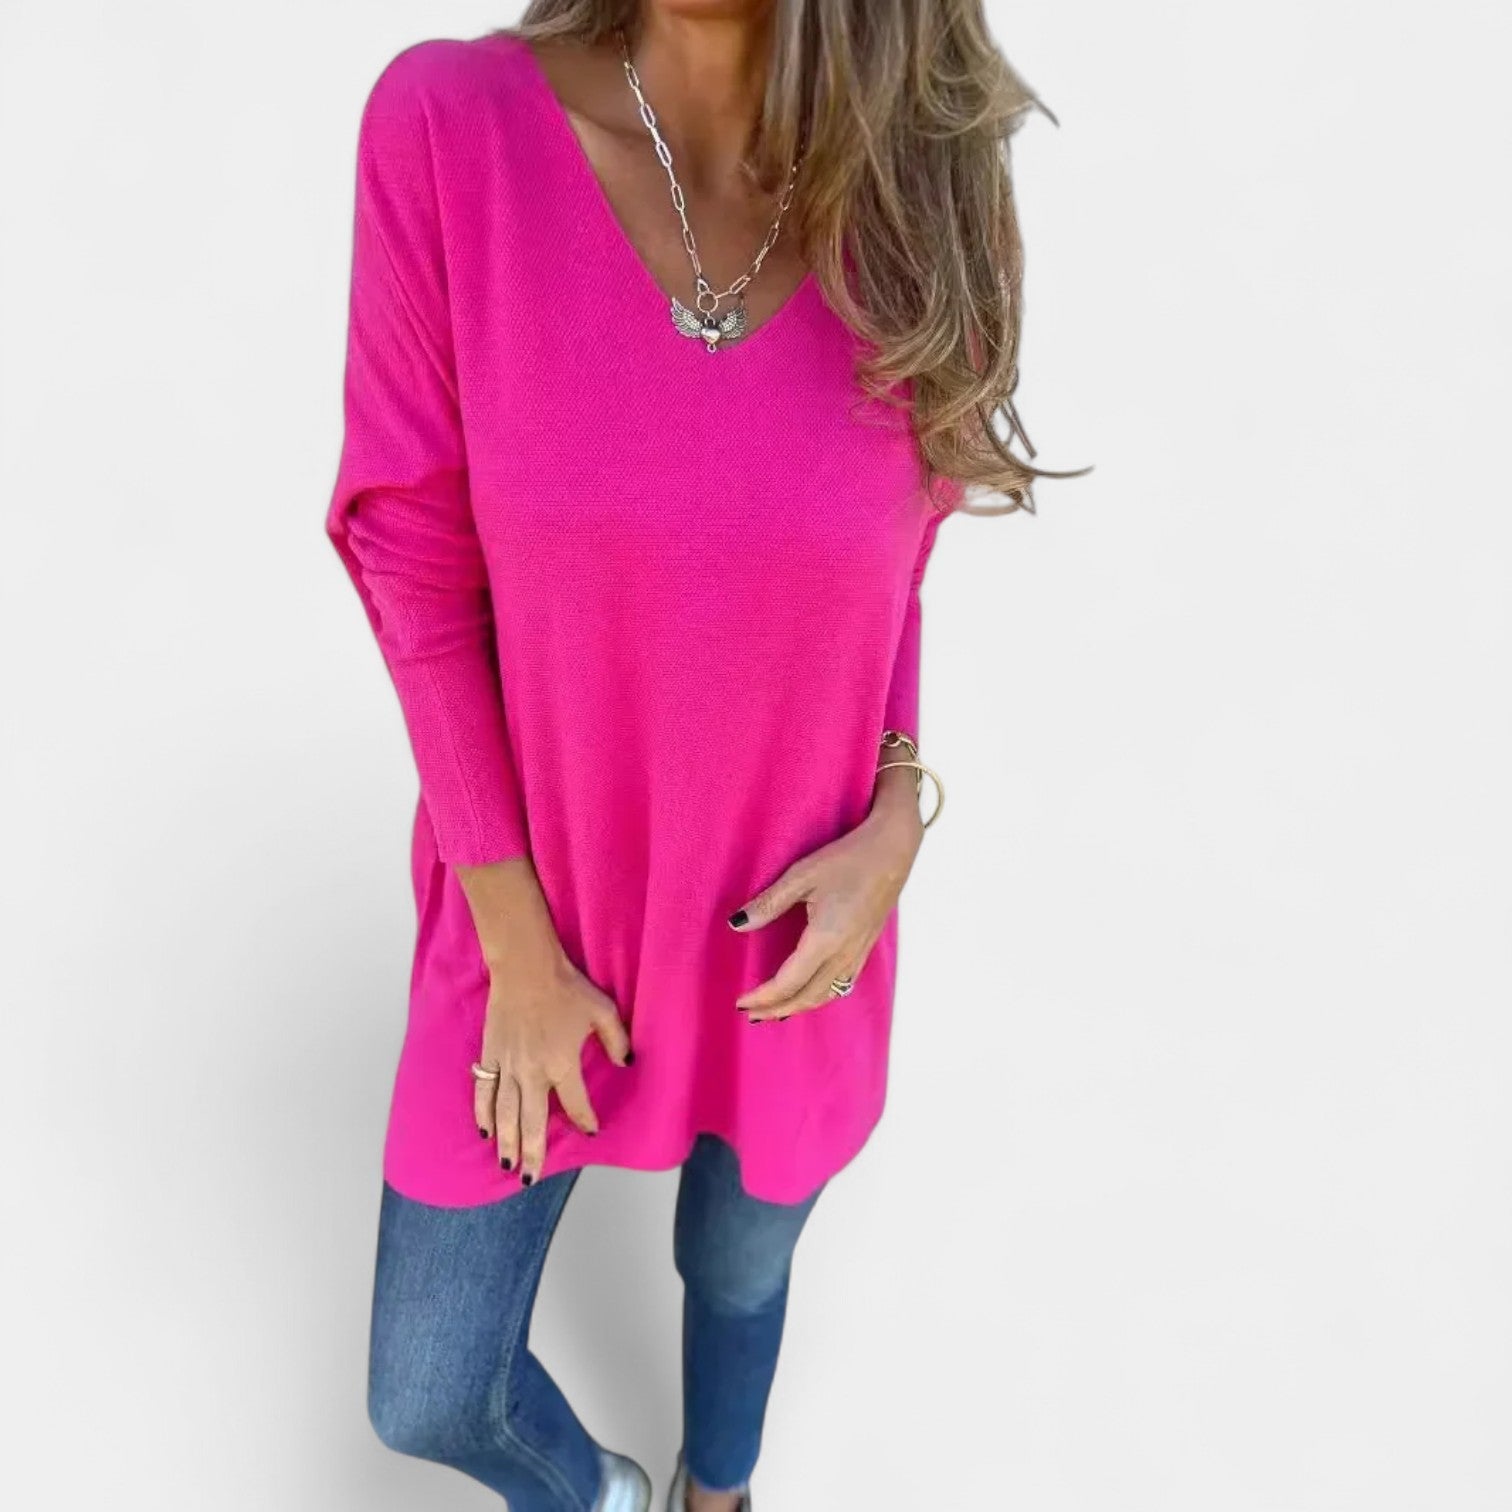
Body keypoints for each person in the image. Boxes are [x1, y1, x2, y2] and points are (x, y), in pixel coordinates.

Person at [324, 3, 1049, 1509]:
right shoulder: (452, 129)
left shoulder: (920, 190)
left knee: (739, 1269)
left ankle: (717, 1492)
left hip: (796, 928)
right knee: (430, 1385)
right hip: (533, 914)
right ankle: (601, 1493)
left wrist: (899, 813)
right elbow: (411, 555)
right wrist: (516, 952)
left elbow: (888, 577)